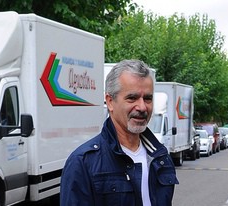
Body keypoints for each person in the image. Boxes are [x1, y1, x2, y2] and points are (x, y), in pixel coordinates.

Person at [60, 59, 179, 206]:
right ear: (110, 102)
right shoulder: (82, 163)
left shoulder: (161, 158)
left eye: (147, 99)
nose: (142, 107)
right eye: (132, 98)